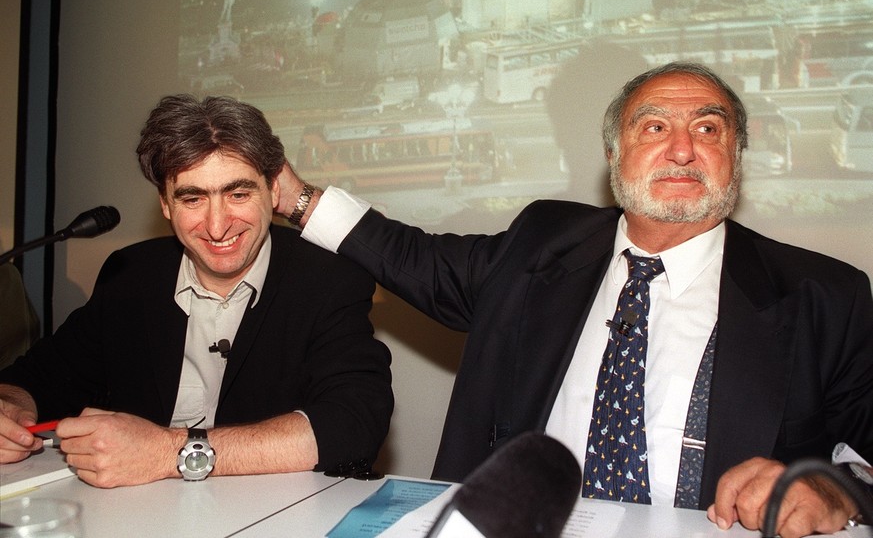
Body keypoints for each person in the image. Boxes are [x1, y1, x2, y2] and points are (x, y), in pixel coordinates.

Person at [275, 62, 873, 538]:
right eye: (655, 127)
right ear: (615, 155)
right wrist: (296, 200)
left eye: (708, 129)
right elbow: (414, 258)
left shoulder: (825, 297)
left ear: (736, 157)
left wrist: (834, 492)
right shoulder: (540, 245)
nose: (683, 150)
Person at [0, 95, 393, 488]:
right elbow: (42, 375)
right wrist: (11, 410)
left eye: (238, 194)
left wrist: (167, 452)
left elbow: (355, 422)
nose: (217, 226)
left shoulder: (327, 278)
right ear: (165, 204)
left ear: (273, 192)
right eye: (193, 198)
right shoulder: (131, 273)